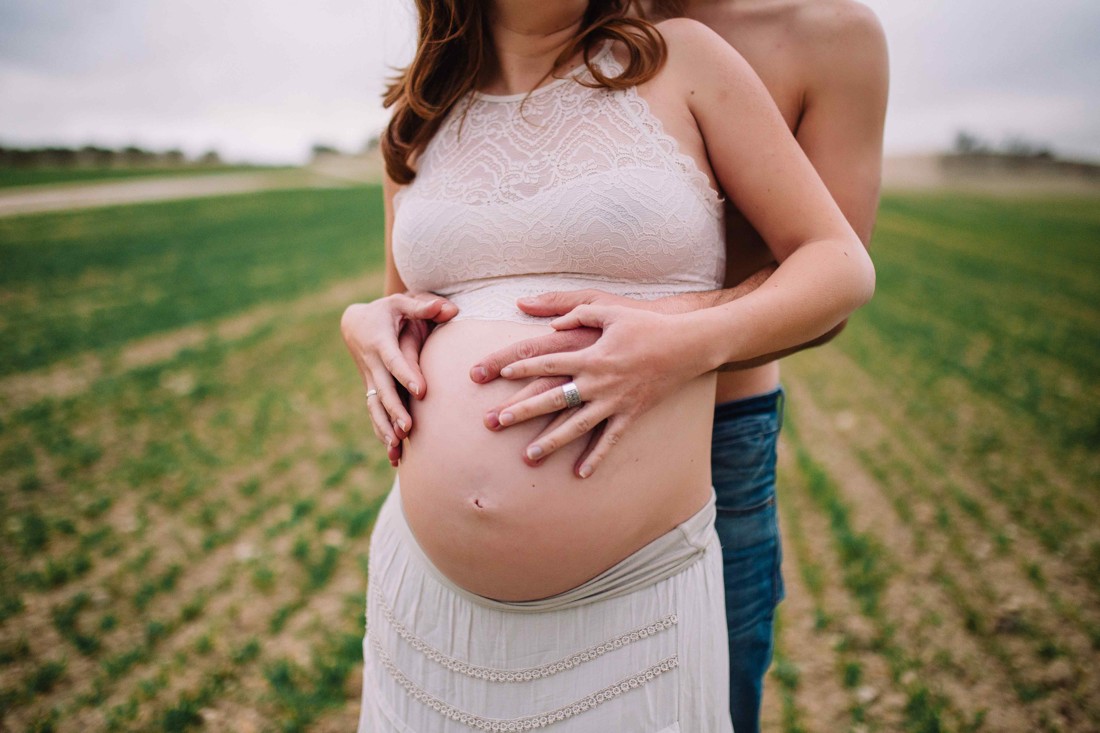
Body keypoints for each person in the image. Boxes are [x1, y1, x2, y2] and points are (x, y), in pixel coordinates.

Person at [344, 0, 875, 729]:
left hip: (640, 578)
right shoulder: (419, 112)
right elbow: (406, 302)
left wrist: (681, 344)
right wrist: (362, 321)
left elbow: (838, 267)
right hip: (429, 602)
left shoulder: (689, 58)